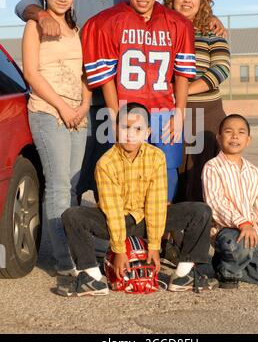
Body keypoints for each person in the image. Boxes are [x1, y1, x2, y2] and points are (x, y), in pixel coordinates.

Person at [58, 103, 213, 297]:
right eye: (125, 128)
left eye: (137, 129)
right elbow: (112, 210)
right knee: (72, 216)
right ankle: (92, 278)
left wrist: (155, 247)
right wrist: (119, 250)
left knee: (201, 211)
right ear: (115, 130)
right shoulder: (105, 162)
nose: (130, 134)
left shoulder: (156, 156)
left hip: (147, 220)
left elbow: (156, 204)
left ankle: (183, 275)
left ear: (147, 132)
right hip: (116, 221)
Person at [15, 0, 127, 200]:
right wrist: (40, 15)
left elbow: (160, 15)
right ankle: (65, 237)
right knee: (68, 182)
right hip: (73, 105)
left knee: (109, 179)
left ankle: (104, 238)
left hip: (110, 102)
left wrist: (206, 17)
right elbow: (23, 5)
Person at [82, 0, 197, 204]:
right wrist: (115, 115)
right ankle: (130, 230)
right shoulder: (108, 22)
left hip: (163, 110)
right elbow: (105, 78)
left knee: (167, 169)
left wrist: (180, 112)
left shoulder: (177, 23)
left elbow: (182, 75)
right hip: (127, 109)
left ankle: (162, 228)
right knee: (126, 171)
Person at [22, 0, 91, 275]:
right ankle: (64, 262)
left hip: (79, 115)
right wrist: (63, 107)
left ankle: (75, 252)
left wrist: (84, 106)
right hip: (49, 113)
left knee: (74, 188)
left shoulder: (77, 28)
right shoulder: (35, 25)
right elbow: (31, 74)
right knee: (59, 185)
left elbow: (86, 75)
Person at [162, 0, 230, 202]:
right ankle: (168, 230)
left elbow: (221, 69)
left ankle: (200, 230)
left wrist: (184, 91)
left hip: (207, 113)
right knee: (171, 173)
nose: (187, 0)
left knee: (201, 176)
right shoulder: (160, 29)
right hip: (169, 112)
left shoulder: (211, 30)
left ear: (202, 1)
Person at [202, 114, 258, 288]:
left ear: (248, 140)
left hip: (253, 234)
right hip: (227, 232)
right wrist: (243, 223)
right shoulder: (212, 166)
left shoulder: (253, 171)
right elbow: (215, 202)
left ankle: (225, 267)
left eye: (241, 132)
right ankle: (228, 272)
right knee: (239, 245)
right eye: (229, 132)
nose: (235, 136)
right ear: (219, 138)